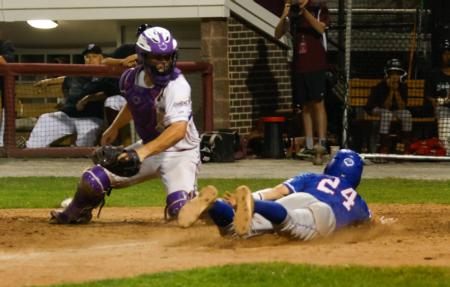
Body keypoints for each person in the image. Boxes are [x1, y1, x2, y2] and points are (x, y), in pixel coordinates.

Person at [50, 26, 201, 224]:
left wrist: (140, 153)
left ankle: (211, 206)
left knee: (180, 210)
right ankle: (77, 211)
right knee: (92, 181)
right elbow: (133, 103)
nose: (163, 63)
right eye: (157, 57)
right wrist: (113, 127)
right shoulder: (131, 78)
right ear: (143, 56)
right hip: (149, 147)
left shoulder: (177, 85)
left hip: (181, 153)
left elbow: (178, 130)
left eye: (167, 57)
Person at [179, 149, 372, 241]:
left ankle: (215, 204)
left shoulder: (312, 177)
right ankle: (252, 204)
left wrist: (245, 199)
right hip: (322, 214)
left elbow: (277, 192)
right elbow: (368, 224)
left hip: (297, 199)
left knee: (236, 231)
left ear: (330, 166)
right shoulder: (360, 202)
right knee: (290, 223)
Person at [27, 44, 121, 148]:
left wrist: (89, 98)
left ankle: (75, 151)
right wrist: (52, 84)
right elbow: (66, 85)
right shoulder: (76, 74)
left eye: (94, 56)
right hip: (67, 116)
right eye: (87, 57)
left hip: (90, 118)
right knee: (45, 119)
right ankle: (30, 150)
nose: (90, 59)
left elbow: (113, 91)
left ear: (101, 58)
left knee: (84, 146)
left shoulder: (106, 74)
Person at [274, 0, 330, 165]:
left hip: (316, 63)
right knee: (305, 105)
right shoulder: (292, 14)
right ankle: (309, 144)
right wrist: (285, 15)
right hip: (299, 64)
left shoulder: (318, 7)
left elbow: (321, 28)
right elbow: (277, 34)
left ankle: (322, 142)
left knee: (318, 102)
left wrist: (304, 11)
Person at [365, 58, 413, 154]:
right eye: (392, 73)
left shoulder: (403, 86)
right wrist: (391, 90)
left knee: (407, 114)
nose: (395, 76)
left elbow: (402, 107)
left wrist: (396, 90)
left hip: (394, 111)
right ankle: (384, 147)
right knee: (387, 114)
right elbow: (385, 106)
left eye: (397, 73)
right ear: (387, 74)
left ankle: (406, 147)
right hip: (376, 109)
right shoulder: (381, 86)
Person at [425, 36, 450, 156]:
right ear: (441, 56)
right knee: (442, 112)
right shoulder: (434, 74)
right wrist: (434, 102)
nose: (448, 56)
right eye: (446, 53)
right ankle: (447, 151)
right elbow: (428, 95)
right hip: (440, 107)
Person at [0, 31, 15, 147]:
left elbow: (6, 64)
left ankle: (2, 144)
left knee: (6, 112)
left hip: (4, 87)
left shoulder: (5, 44)